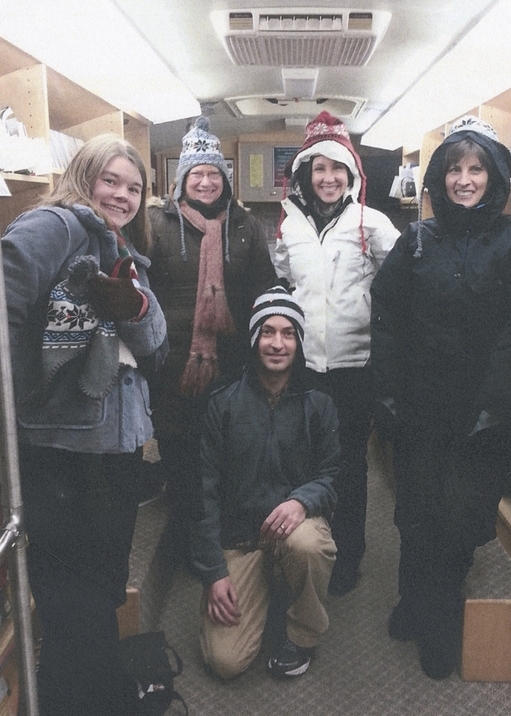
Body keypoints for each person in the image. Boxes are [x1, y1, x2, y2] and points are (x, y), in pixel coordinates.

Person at [1, 134, 168, 716]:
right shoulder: (54, 227)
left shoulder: (122, 246)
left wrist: (137, 306)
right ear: (84, 176)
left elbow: (155, 344)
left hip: (115, 449)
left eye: (133, 187)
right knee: (73, 600)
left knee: (98, 592)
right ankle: (90, 701)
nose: (122, 195)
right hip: (63, 451)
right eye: (111, 181)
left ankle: (95, 697)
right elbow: (6, 311)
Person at [370, 115, 511, 679]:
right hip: (420, 407)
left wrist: (496, 401)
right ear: (438, 177)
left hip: (484, 411)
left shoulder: (510, 243)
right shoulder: (418, 241)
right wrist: (389, 392)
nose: (465, 179)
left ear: (495, 177)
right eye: (454, 168)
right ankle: (412, 602)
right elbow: (386, 315)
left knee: (458, 521)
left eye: (477, 169)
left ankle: (440, 625)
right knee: (416, 514)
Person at [274, 111, 400, 595]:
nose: (328, 178)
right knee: (304, 460)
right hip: (303, 368)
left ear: (350, 173)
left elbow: (402, 280)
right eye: (318, 169)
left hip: (355, 368)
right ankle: (309, 549)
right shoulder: (290, 225)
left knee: (349, 464)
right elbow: (286, 280)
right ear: (305, 173)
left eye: (337, 168)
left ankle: (348, 558)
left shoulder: (372, 222)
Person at [190, 285, 339, 680]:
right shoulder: (222, 403)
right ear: (255, 339)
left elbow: (332, 475)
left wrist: (303, 501)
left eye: (288, 333)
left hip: (293, 529)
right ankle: (265, 589)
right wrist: (214, 573)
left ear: (299, 341)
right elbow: (202, 494)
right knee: (225, 662)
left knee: (308, 544)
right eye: (268, 332)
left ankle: (301, 635)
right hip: (240, 541)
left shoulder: (319, 403)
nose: (277, 343)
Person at [147, 116, 275, 543]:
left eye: (213, 173)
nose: (205, 182)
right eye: (196, 174)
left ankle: (227, 541)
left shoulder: (246, 226)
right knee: (181, 458)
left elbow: (264, 287)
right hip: (173, 368)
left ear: (225, 178)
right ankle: (190, 542)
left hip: (234, 365)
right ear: (182, 179)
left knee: (229, 455)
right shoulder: (155, 226)